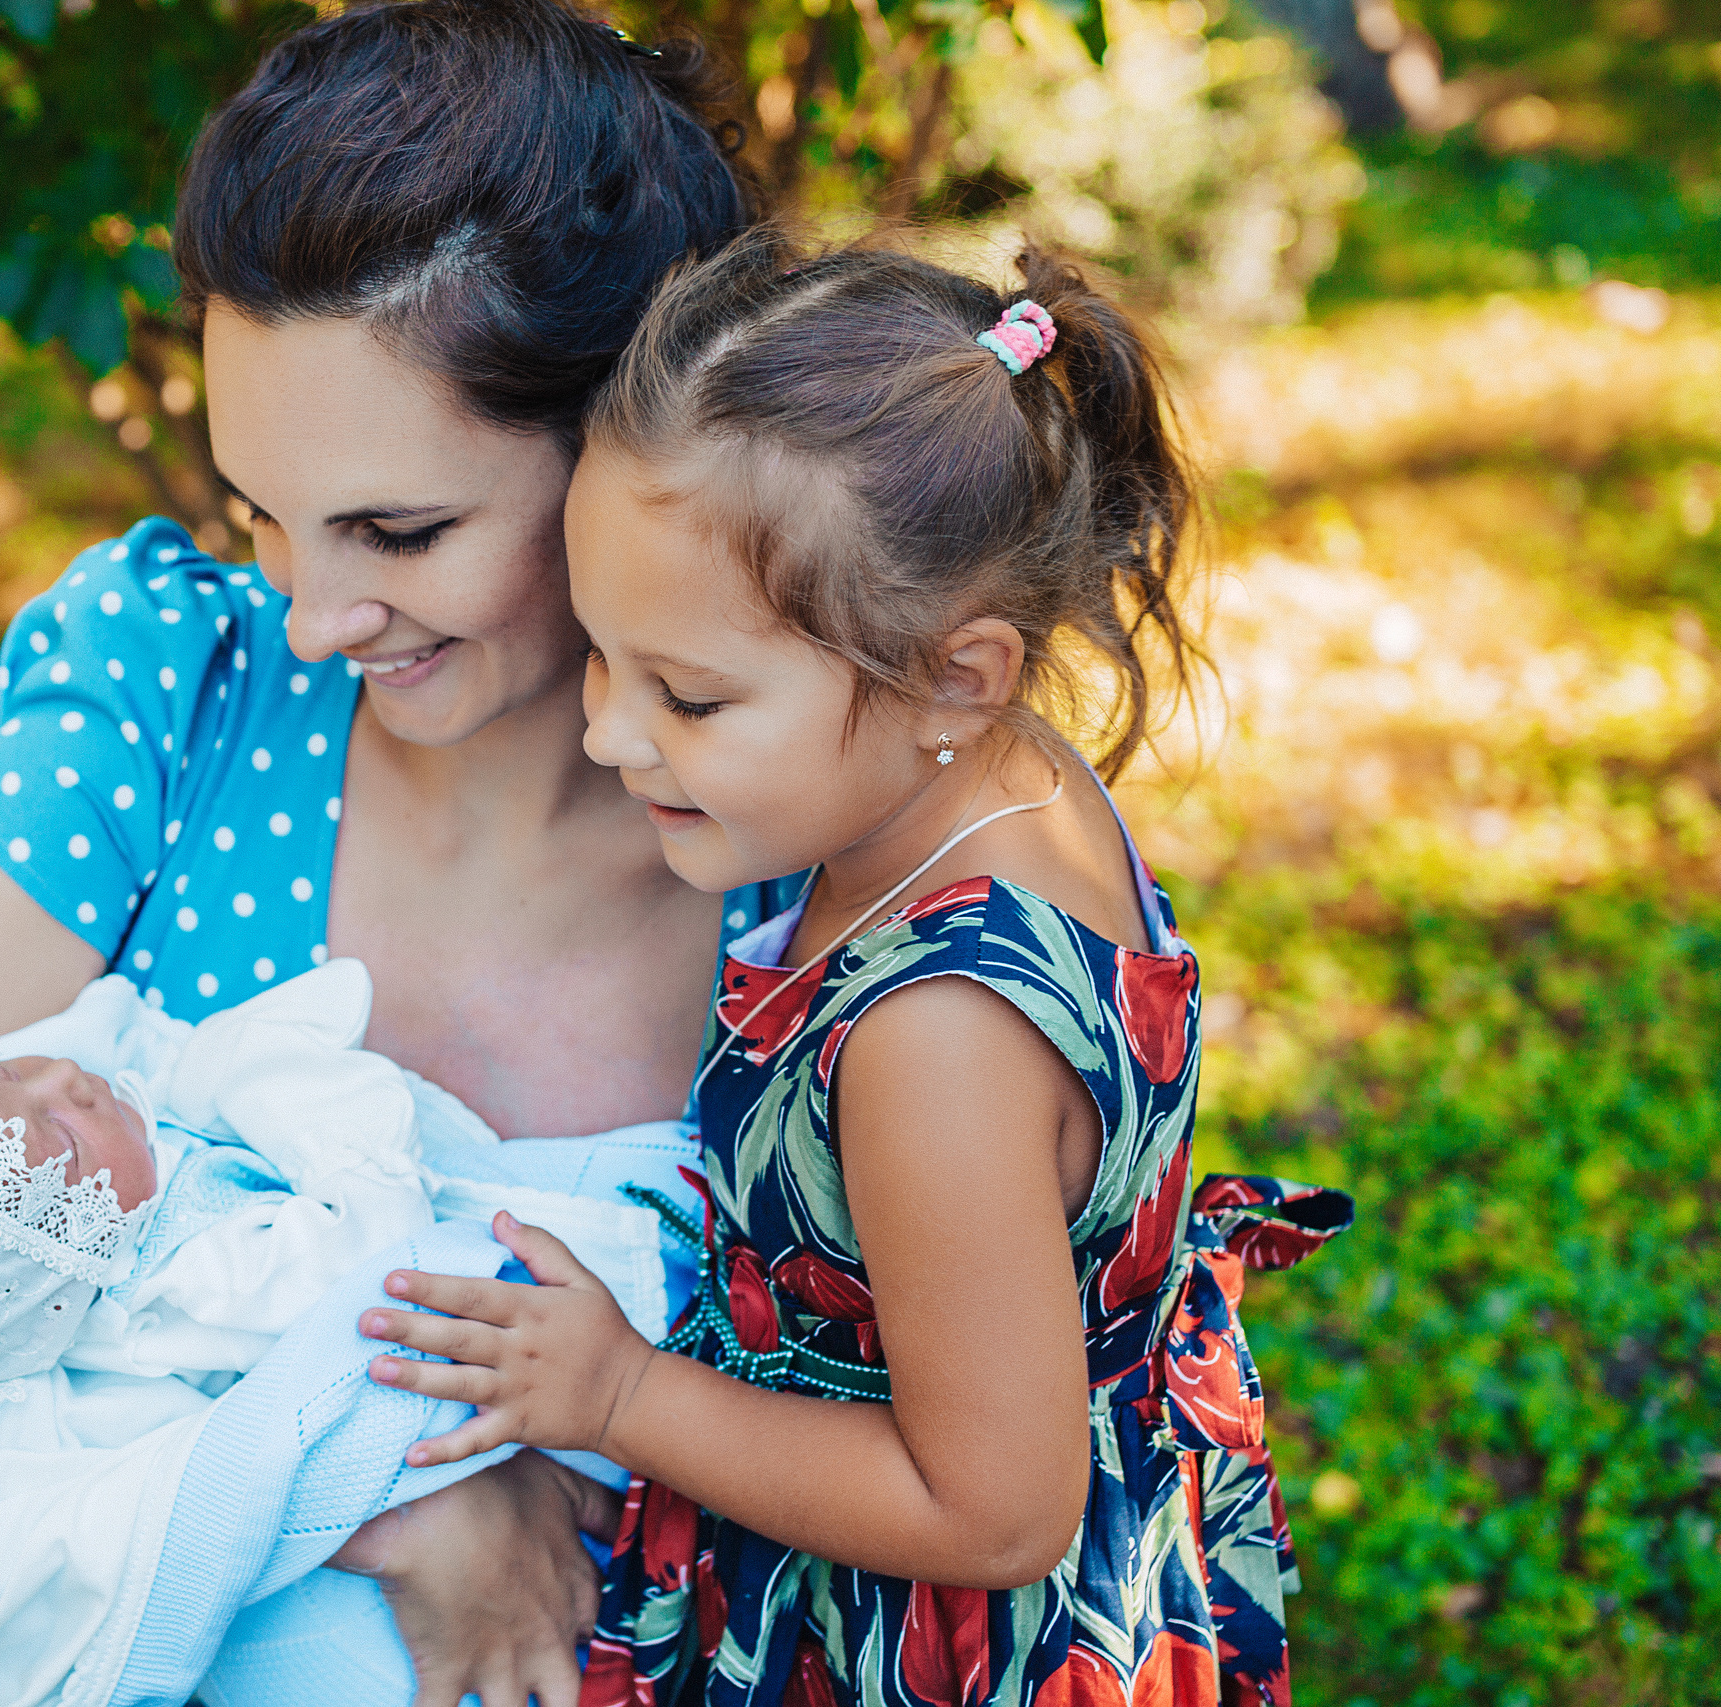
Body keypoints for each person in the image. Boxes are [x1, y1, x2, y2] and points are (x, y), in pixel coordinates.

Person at [0, 2, 784, 1701]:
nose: (313, 614)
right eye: (259, 510)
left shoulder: (810, 832)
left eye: (401, 531)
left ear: (638, 436)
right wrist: (394, 1504)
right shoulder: (176, 697)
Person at [355, 237, 1355, 1706]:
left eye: (690, 693)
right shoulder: (999, 786)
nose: (611, 733)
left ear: (959, 673)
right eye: (604, 656)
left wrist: (622, 1391)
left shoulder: (932, 1035)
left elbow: (1001, 1509)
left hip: (929, 1641)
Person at [0, 964, 693, 1707]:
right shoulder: (190, 1290)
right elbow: (373, 1262)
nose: (61, 1077)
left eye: (8, 1069)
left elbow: (97, 1041)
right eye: (57, 1133)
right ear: (56, 1276)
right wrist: (275, 1089)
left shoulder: (106, 1131)